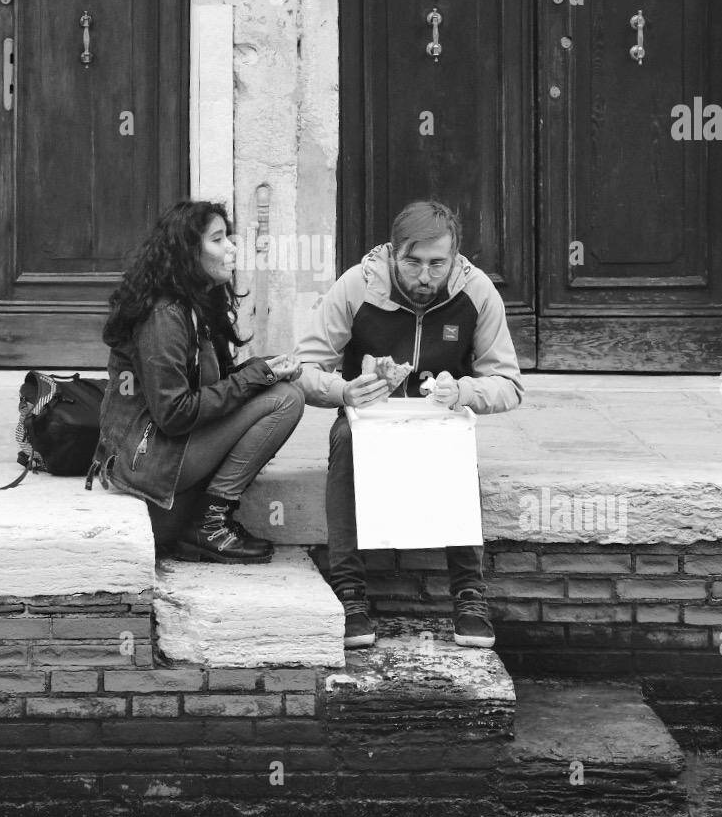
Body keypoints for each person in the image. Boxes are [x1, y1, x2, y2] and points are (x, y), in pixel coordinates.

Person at [295, 200, 524, 648]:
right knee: (345, 436)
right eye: (413, 262)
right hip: (370, 419)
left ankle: (469, 595)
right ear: (392, 252)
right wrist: (344, 391)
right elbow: (304, 367)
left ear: (455, 257)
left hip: (437, 417)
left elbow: (509, 384)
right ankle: (350, 594)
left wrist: (463, 392)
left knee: (459, 438)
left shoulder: (476, 292)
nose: (425, 276)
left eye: (437, 264)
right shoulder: (356, 287)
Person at [90, 200, 305, 563]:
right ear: (189, 252)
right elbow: (174, 413)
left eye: (229, 238)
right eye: (218, 240)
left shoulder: (196, 304)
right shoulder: (164, 316)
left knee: (278, 388)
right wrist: (256, 378)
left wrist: (261, 369)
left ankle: (206, 519)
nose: (232, 248)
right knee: (284, 399)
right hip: (146, 459)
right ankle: (210, 522)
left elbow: (210, 387)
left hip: (169, 446)